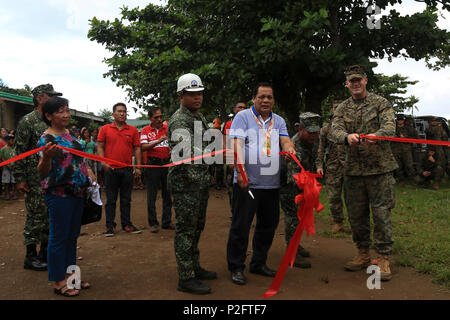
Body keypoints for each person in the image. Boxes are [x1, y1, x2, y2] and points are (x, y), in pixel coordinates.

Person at [331, 65, 398, 281]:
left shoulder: (380, 103)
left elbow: (390, 127)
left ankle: (383, 257)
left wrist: (376, 135)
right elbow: (334, 129)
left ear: (366, 81)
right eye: (352, 81)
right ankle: (362, 253)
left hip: (380, 170)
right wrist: (346, 137)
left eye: (359, 79)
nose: (356, 83)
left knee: (381, 214)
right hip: (353, 171)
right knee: (357, 216)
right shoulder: (342, 108)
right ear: (347, 84)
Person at [226, 82, 295, 286]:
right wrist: (240, 172)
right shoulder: (243, 117)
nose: (266, 100)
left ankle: (258, 263)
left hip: (271, 184)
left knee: (268, 225)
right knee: (241, 225)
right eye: (262, 97)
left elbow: (286, 140)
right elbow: (236, 144)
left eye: (269, 97)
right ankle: (236, 267)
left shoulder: (279, 120)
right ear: (254, 99)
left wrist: (290, 148)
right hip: (248, 182)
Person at [37, 96, 95, 297]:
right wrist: (46, 157)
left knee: (72, 237)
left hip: (78, 193)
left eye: (67, 110)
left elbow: (80, 161)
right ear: (49, 116)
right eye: (61, 111)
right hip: (59, 195)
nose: (66, 114)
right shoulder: (46, 139)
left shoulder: (70, 135)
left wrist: (90, 176)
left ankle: (72, 278)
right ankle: (58, 281)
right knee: (58, 238)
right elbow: (42, 172)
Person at [167, 73, 216, 294]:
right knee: (186, 230)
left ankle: (194, 267)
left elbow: (207, 144)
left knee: (197, 227)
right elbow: (184, 154)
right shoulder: (180, 120)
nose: (197, 98)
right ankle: (185, 277)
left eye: (200, 93)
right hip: (186, 184)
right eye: (192, 94)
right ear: (181, 95)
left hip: (200, 183)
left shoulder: (198, 117)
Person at [12, 83, 63, 271]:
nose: (55, 99)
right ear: (40, 98)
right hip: (34, 179)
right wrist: (20, 178)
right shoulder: (28, 121)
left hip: (52, 177)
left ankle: (45, 253)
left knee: (50, 215)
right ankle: (31, 256)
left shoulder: (51, 121)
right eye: (51, 96)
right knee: (36, 216)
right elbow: (19, 151)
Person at [280, 112, 321, 269]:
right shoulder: (294, 145)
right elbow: (292, 176)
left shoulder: (313, 141)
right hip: (289, 185)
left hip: (303, 183)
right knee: (292, 218)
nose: (313, 135)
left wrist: (318, 169)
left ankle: (296, 245)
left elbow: (315, 158)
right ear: (300, 129)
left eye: (316, 131)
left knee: (300, 216)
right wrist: (307, 189)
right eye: (310, 132)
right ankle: (292, 253)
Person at [97, 103, 142, 236]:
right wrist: (103, 162)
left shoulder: (132, 130)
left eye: (124, 111)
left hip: (127, 169)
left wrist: (138, 167)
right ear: (113, 114)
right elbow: (100, 146)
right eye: (119, 111)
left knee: (126, 199)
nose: (122, 114)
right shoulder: (105, 129)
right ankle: (110, 226)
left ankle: (127, 224)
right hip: (110, 170)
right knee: (110, 199)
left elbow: (137, 149)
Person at [140, 107, 174, 233]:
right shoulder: (145, 130)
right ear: (150, 119)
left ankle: (167, 222)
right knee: (152, 195)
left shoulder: (168, 129)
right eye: (156, 117)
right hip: (153, 165)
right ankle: (153, 223)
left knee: (167, 194)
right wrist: (158, 141)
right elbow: (143, 147)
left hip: (167, 164)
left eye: (161, 116)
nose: (159, 119)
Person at [316, 112, 347, 234]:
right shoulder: (325, 131)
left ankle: (356, 225)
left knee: (353, 198)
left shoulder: (349, 129)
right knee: (333, 197)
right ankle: (338, 222)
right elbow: (320, 149)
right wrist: (319, 165)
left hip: (349, 167)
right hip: (332, 168)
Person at [223, 101, 247, 218]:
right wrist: (230, 160)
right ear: (234, 109)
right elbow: (225, 141)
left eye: (244, 107)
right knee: (232, 187)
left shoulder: (248, 123)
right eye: (239, 107)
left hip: (245, 160)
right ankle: (235, 212)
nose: (242, 109)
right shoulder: (228, 124)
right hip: (232, 158)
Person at [392, 114, 416, 181]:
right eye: (399, 120)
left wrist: (405, 138)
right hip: (396, 149)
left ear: (403, 121)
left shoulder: (408, 128)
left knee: (409, 164)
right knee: (398, 166)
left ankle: (412, 179)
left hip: (406, 149)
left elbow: (413, 138)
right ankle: (400, 179)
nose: (400, 121)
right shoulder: (393, 128)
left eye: (401, 120)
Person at [0, 134, 19, 200]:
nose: (12, 141)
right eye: (11, 140)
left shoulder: (15, 149)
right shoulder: (3, 149)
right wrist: (7, 164)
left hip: (14, 168)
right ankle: (6, 194)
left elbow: (17, 157)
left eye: (13, 140)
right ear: (7, 141)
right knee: (6, 182)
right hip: (6, 169)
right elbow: (2, 157)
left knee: (14, 182)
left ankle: (15, 193)